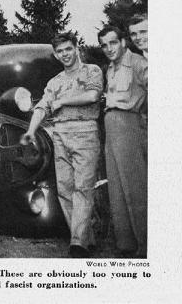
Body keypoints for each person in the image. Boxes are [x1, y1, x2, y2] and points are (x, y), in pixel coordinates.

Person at [21, 32, 103, 258]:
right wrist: (30, 130)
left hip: (84, 131)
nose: (65, 54)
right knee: (65, 189)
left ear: (76, 48)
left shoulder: (92, 71)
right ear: (56, 55)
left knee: (83, 188)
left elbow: (93, 95)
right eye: (60, 51)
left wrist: (62, 101)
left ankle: (78, 244)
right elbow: (42, 107)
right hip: (60, 134)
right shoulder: (54, 81)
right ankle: (87, 238)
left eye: (68, 49)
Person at [98, 25, 148, 258]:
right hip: (111, 128)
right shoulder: (111, 67)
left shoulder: (137, 62)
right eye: (104, 45)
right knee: (116, 188)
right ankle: (126, 244)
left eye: (113, 43)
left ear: (123, 42)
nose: (109, 49)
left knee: (134, 187)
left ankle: (146, 244)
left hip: (128, 126)